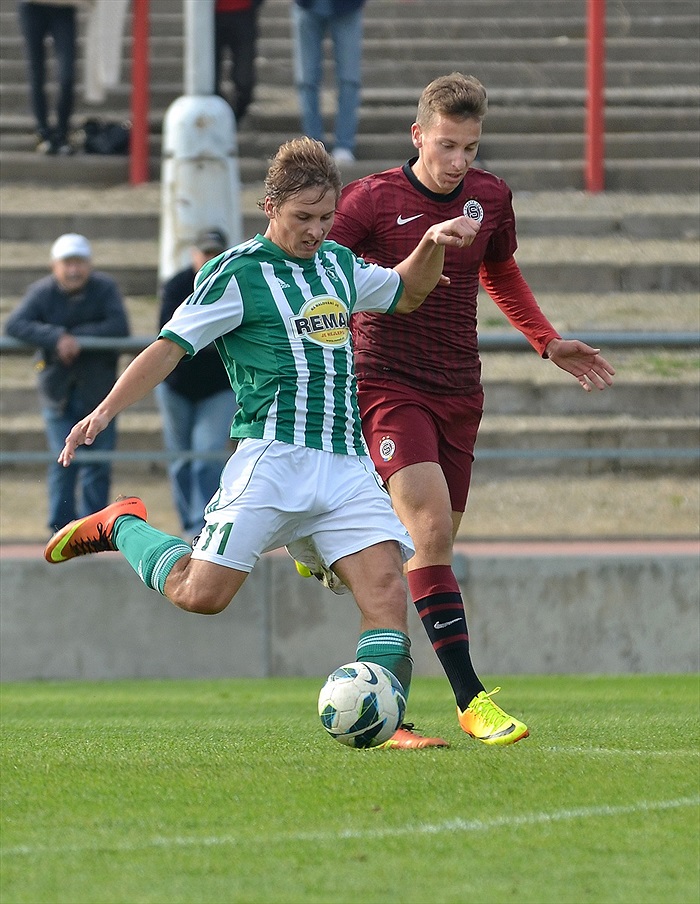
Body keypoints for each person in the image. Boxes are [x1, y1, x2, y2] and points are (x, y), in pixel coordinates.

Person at [44, 137, 479, 749]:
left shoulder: (337, 264)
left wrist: (431, 243)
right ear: (269, 206)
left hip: (345, 464)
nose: (316, 230)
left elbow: (407, 291)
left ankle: (387, 722)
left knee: (386, 593)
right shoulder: (236, 273)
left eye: (326, 218)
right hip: (272, 460)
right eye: (303, 218)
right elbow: (169, 347)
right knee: (201, 595)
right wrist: (103, 411)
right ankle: (122, 525)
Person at [321, 72, 616, 745]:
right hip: (387, 381)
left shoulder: (491, 197)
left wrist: (546, 340)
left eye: (471, 149)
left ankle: (339, 562)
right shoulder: (371, 200)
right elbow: (323, 273)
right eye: (448, 145)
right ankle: (470, 698)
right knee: (427, 532)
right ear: (418, 135)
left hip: (459, 389)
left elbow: (501, 270)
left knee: (428, 547)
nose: (459, 162)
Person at [5, 233, 130, 533]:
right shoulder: (41, 292)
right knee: (62, 462)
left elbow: (119, 327)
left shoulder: (105, 289)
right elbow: (14, 324)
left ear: (89, 265)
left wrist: (77, 338)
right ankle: (61, 530)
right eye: (67, 263)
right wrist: (56, 337)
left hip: (99, 396)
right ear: (54, 266)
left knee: (97, 464)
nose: (74, 270)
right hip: (58, 394)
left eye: (79, 263)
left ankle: (96, 531)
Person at [156, 228, 238, 541]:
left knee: (206, 454)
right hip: (176, 384)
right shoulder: (177, 284)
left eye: (216, 253)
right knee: (180, 459)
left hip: (219, 386)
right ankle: (188, 522)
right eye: (205, 253)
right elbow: (167, 331)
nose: (211, 259)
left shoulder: (235, 283)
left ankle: (205, 524)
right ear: (194, 255)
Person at [290, 0, 366, 163]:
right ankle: (312, 145)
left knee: (349, 78)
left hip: (348, 7)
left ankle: (344, 144)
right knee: (306, 79)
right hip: (307, 5)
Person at [17, 0, 83, 154]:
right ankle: (43, 132)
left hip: (63, 7)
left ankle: (62, 132)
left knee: (67, 76)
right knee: (36, 73)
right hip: (32, 6)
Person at [214, 0, 265, 124]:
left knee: (244, 80)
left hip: (243, 13)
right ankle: (221, 120)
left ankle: (233, 120)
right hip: (211, 16)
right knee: (210, 80)